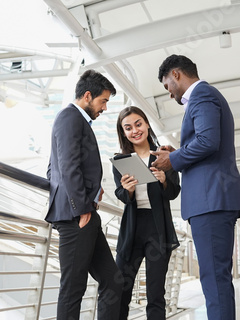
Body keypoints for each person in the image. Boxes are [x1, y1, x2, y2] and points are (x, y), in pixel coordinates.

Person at [151, 54, 240, 320]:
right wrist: (178, 152)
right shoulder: (204, 96)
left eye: (166, 86)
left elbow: (208, 141)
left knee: (214, 280)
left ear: (176, 74)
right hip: (212, 200)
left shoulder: (202, 95)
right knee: (215, 279)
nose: (169, 93)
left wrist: (172, 159)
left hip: (211, 201)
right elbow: (206, 143)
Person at [45, 69, 123, 320]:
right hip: (76, 216)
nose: (105, 108)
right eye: (104, 101)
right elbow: (67, 167)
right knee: (73, 288)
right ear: (88, 96)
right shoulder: (70, 118)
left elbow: (52, 169)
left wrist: (91, 190)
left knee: (112, 280)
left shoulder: (74, 120)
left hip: (83, 213)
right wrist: (81, 208)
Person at [112, 106, 181, 319]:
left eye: (138, 124)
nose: (135, 130)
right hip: (133, 228)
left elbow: (174, 192)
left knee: (155, 292)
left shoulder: (164, 155)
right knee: (121, 289)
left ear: (147, 124)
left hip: (157, 228)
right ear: (123, 133)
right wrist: (128, 191)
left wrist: (163, 182)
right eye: (128, 127)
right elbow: (120, 194)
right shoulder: (121, 161)